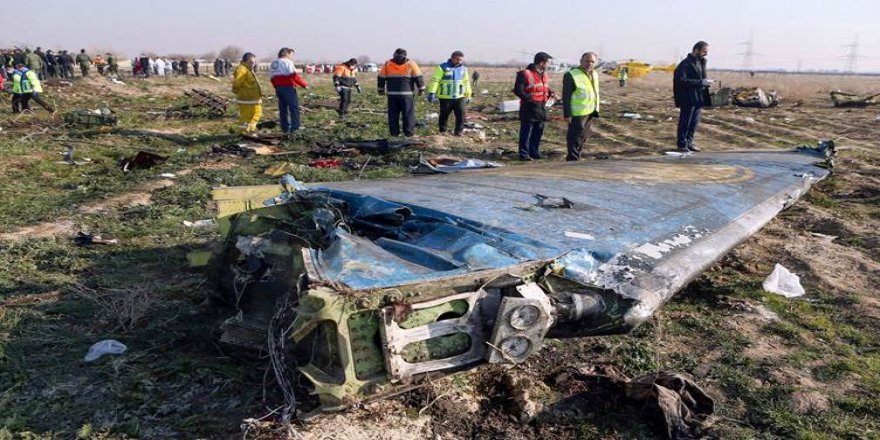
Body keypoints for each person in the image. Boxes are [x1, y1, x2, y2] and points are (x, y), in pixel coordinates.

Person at [513, 52, 556, 161]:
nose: (549, 65)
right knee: (526, 133)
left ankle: (534, 152)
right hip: (529, 109)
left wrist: (551, 92)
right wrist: (530, 100)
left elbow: (543, 87)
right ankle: (524, 154)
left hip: (542, 108)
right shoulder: (525, 73)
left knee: (538, 132)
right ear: (542, 63)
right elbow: (518, 90)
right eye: (548, 63)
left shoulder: (544, 74)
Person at [673, 41, 712, 152]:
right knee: (685, 121)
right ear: (696, 50)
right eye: (704, 51)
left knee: (694, 122)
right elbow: (681, 80)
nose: (706, 54)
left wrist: (705, 83)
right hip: (688, 98)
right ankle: (682, 144)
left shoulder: (701, 63)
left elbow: (700, 78)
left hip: (698, 97)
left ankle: (689, 142)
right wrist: (700, 82)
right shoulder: (685, 64)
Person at [378, 48, 425, 137]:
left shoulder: (388, 64)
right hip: (407, 95)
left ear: (394, 54)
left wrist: (380, 90)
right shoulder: (411, 64)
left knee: (393, 115)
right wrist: (421, 89)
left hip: (392, 95)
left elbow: (381, 78)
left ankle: (394, 134)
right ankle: (409, 133)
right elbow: (419, 77)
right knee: (408, 114)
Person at [562, 52, 600, 161]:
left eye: (592, 61)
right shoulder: (571, 75)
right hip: (577, 112)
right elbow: (566, 96)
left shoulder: (595, 74)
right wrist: (567, 114)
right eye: (587, 61)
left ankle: (577, 156)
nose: (590, 64)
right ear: (581, 61)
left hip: (590, 110)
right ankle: (572, 158)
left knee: (583, 137)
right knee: (574, 137)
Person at [427, 50, 472, 136]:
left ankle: (458, 132)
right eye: (457, 59)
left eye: (461, 60)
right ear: (452, 58)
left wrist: (468, 94)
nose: (459, 61)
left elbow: (466, 82)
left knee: (461, 114)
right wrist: (432, 92)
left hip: (460, 96)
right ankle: (443, 132)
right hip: (445, 97)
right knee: (444, 115)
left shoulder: (463, 69)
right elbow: (436, 80)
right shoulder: (442, 67)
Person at [269, 47, 309, 133]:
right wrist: (304, 84)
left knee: (283, 108)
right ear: (286, 54)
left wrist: (276, 87)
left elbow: (272, 78)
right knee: (293, 107)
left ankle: (284, 127)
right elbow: (293, 75)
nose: (292, 57)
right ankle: (295, 127)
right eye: (291, 55)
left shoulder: (273, 63)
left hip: (279, 88)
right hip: (288, 87)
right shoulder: (287, 62)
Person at [232, 52, 263, 133]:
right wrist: (238, 92)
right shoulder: (241, 69)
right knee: (246, 117)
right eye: (251, 62)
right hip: (246, 99)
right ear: (245, 61)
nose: (253, 64)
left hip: (253, 99)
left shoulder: (248, 69)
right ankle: (243, 132)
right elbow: (237, 83)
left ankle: (249, 130)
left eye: (254, 62)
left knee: (257, 114)